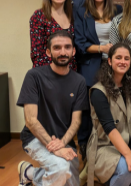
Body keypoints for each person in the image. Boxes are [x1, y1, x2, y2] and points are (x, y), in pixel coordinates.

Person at [17, 30, 88, 186]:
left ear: (73, 51)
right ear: (48, 52)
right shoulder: (34, 76)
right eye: (57, 48)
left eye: (67, 47)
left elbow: (76, 122)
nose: (63, 52)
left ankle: (30, 173)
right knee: (61, 168)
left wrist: (62, 143)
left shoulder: (79, 81)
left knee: (70, 180)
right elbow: (30, 120)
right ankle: (36, 174)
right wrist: (55, 149)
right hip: (35, 138)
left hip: (63, 140)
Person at [73, 0, 123, 159]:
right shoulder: (81, 11)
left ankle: (111, 149)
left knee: (112, 108)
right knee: (88, 111)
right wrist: (101, 48)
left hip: (113, 67)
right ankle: (86, 151)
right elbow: (79, 43)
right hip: (90, 66)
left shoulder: (117, 10)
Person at [85, 43, 131, 186]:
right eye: (118, 58)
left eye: (126, 58)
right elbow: (109, 128)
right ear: (109, 61)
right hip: (104, 147)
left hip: (129, 144)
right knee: (128, 170)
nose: (123, 61)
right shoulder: (98, 91)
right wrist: (129, 155)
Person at [30, 0, 77, 70]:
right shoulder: (39, 16)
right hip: (47, 73)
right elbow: (36, 53)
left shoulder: (73, 15)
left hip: (70, 71)